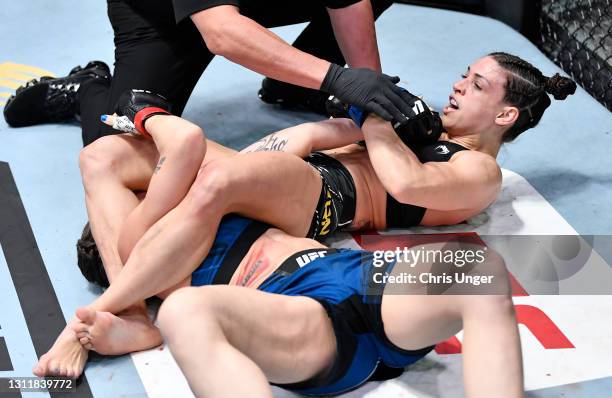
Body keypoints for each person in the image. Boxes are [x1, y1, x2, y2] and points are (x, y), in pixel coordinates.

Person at [33, 52, 575, 379]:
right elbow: (309, 136)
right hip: (292, 175)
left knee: (210, 174)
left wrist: (376, 118)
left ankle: (111, 310)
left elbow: (406, 182)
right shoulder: (426, 125)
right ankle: (133, 314)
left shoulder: (479, 170)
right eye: (464, 74)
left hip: (323, 199)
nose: (458, 85)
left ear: (504, 115)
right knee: (103, 155)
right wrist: (244, 163)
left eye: (477, 85)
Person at [73, 213, 522, 397]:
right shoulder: (163, 275)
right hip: (302, 318)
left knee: (478, 266)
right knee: (183, 311)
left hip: (365, 279)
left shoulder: (207, 203)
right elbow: (105, 167)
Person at [4, 0, 409, 145]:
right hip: (162, 19)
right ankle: (88, 87)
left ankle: (296, 83)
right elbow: (221, 32)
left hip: (239, 7)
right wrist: (336, 78)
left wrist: (368, 98)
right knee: (121, 143)